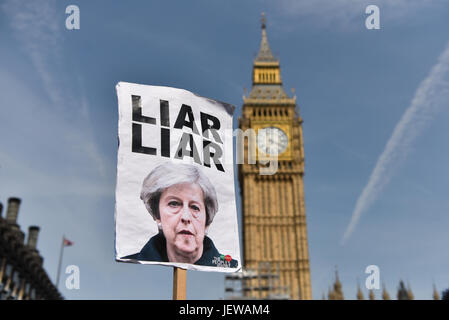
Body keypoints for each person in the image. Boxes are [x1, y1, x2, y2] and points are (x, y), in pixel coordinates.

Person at [122, 162, 238, 268]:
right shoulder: (129, 267)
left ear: (207, 221)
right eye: (174, 204)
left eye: (194, 207)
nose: (186, 217)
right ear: (157, 215)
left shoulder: (230, 267)